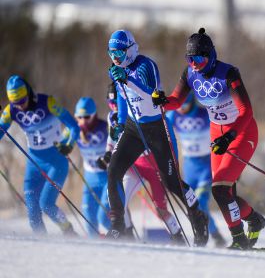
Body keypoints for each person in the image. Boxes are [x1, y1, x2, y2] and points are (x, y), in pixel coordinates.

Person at [152, 28, 265, 250]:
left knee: (220, 190)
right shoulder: (189, 74)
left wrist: (229, 136)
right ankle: (254, 219)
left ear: (211, 55)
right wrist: (163, 101)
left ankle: (239, 239)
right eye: (189, 59)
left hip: (242, 132)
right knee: (225, 191)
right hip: (217, 133)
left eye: (199, 59)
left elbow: (246, 111)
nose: (194, 64)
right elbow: (176, 100)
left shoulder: (228, 73)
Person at [105, 29, 208, 246]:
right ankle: (117, 225)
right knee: (113, 170)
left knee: (172, 183)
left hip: (157, 127)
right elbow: (123, 99)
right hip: (134, 128)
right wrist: (120, 124)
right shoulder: (117, 70)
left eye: (119, 54)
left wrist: (127, 80)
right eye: (111, 53)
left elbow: (151, 93)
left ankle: (197, 216)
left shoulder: (145, 64)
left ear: (130, 50)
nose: (115, 58)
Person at [98, 83, 183, 242]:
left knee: (160, 209)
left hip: (153, 167)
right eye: (111, 104)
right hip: (134, 166)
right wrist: (107, 155)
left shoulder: (138, 112)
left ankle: (177, 235)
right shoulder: (112, 118)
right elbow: (111, 139)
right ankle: (127, 235)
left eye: (117, 102)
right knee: (120, 203)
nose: (115, 107)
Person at [0, 75, 79, 234]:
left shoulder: (47, 102)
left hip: (56, 162)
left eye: (22, 101)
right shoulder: (10, 111)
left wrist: (68, 145)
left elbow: (74, 126)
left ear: (27, 93)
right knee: (31, 207)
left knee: (46, 204)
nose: (20, 106)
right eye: (16, 103)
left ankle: (68, 230)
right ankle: (42, 243)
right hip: (34, 162)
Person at [167, 93, 226, 247]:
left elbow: (222, 130)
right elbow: (161, 126)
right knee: (193, 205)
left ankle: (213, 235)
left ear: (191, 103)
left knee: (201, 202)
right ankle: (211, 233)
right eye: (179, 107)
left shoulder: (204, 114)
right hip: (189, 166)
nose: (182, 110)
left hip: (207, 166)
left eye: (184, 106)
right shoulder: (173, 114)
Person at [71, 97, 110, 236]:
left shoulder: (105, 127)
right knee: (88, 216)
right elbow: (62, 143)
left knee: (104, 217)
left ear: (94, 115)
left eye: (87, 117)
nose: (83, 121)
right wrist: (62, 148)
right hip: (90, 179)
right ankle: (96, 250)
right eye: (79, 117)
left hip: (108, 178)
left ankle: (122, 238)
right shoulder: (74, 130)